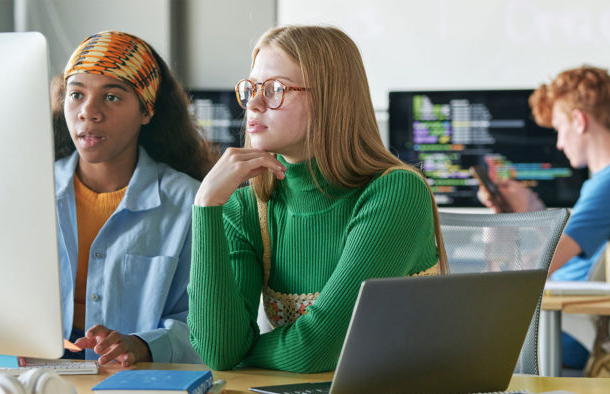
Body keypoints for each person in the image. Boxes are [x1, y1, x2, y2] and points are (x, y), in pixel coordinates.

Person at [187, 25, 446, 373]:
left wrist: (245, 350)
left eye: (276, 89)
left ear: (330, 98)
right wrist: (206, 206)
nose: (254, 103)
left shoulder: (395, 192)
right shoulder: (247, 207)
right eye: (251, 89)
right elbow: (218, 353)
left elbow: (316, 350)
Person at [478, 65, 610, 370]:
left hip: (561, 329)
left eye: (559, 129)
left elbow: (539, 265)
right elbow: (570, 244)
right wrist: (529, 208)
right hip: (565, 321)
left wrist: (500, 235)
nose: (560, 143)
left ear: (578, 121)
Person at [51, 31, 214, 366]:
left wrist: (143, 344)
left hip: (136, 384)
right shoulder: (29, 190)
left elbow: (206, 324)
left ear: (146, 111)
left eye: (111, 97)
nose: (88, 112)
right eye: (76, 94)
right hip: (34, 381)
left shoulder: (191, 203)